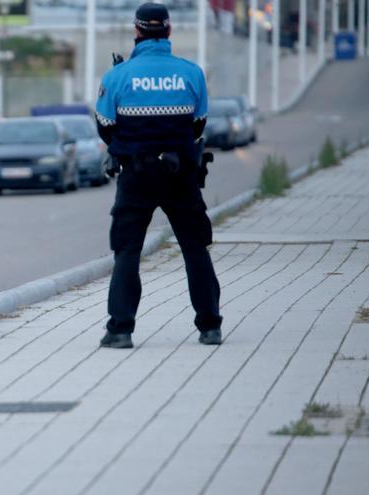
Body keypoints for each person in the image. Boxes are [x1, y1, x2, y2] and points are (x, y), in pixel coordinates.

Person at [95, 3, 223, 349]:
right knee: (195, 248)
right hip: (180, 175)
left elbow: (106, 129)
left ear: (137, 32)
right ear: (168, 32)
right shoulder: (192, 73)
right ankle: (210, 326)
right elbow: (198, 125)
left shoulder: (117, 77)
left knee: (127, 251)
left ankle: (120, 330)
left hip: (136, 177)